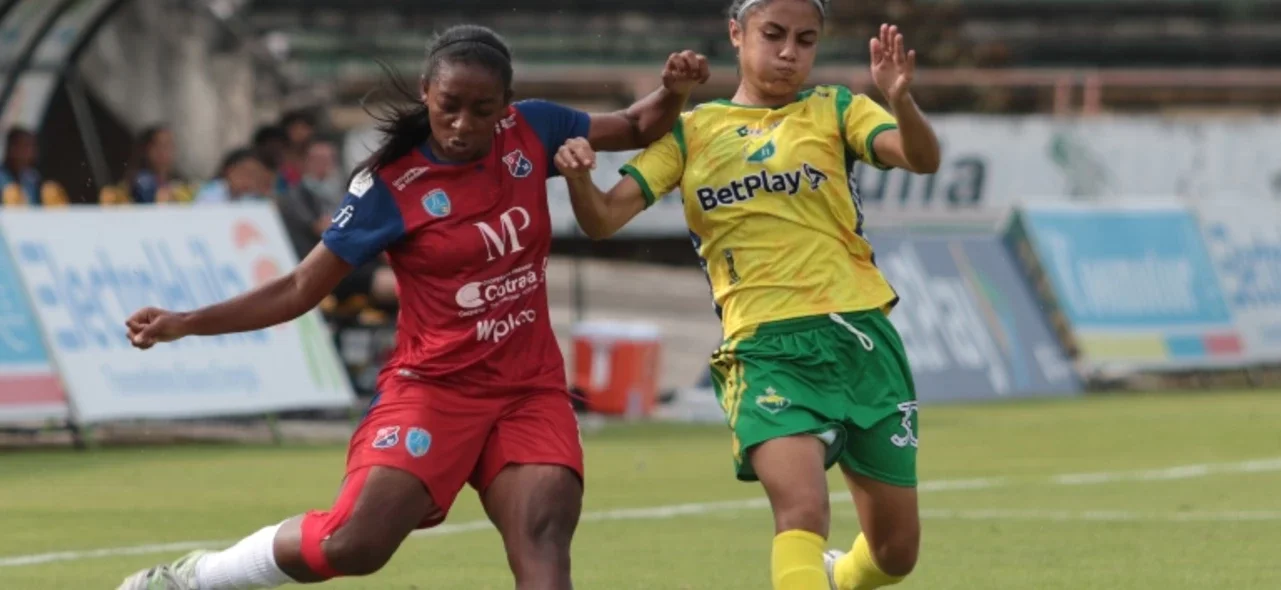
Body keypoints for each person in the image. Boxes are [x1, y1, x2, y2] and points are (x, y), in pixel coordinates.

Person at [116, 24, 708, 590]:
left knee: (544, 542)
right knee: (354, 545)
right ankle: (201, 577)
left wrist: (674, 90)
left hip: (529, 390)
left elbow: (636, 124)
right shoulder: (389, 186)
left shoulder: (533, 129)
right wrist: (186, 323)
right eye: (449, 103)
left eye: (483, 110)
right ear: (426, 91)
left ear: (507, 105)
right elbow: (300, 288)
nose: (462, 124)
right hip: (433, 388)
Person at [552, 2, 940, 589]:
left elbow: (921, 158)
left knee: (895, 553)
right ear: (737, 34)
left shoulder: (836, 109)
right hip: (765, 348)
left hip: (861, 342)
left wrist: (901, 100)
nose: (789, 52)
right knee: (803, 511)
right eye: (773, 35)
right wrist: (581, 177)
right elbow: (603, 220)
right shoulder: (690, 132)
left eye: (805, 40)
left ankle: (840, 579)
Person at [193, 148, 274, 205]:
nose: (248, 179)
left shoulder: (254, 198)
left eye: (254, 175)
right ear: (228, 171)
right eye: (244, 172)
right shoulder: (212, 192)